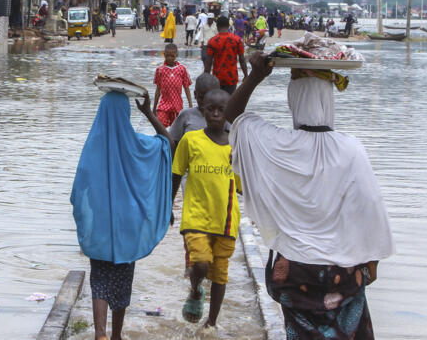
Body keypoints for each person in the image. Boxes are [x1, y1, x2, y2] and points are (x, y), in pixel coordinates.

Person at [224, 53, 394, 340]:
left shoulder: (275, 144)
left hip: (293, 272)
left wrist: (255, 76)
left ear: (294, 99)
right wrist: (371, 265)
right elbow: (370, 207)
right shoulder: (351, 149)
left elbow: (233, 116)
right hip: (344, 271)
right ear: (329, 101)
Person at [71, 90, 173, 340]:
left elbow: (79, 189)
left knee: (100, 282)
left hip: (101, 229)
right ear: (126, 115)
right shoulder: (137, 144)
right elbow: (168, 143)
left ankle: (100, 333)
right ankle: (116, 335)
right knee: (122, 282)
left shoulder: (92, 146)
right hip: (130, 226)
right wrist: (149, 112)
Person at [171, 88, 242, 327]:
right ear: (202, 110)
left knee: (220, 274)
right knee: (200, 263)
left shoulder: (235, 146)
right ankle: (195, 289)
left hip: (225, 220)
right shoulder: (191, 140)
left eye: (221, 110)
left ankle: (211, 323)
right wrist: (167, 206)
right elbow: (176, 173)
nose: (215, 113)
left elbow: (244, 186)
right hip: (196, 217)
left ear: (228, 113)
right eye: (210, 109)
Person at [153, 44, 193, 128]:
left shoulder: (182, 69)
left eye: (172, 56)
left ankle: (172, 141)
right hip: (164, 105)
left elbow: (186, 88)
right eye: (167, 56)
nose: (170, 58)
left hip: (177, 106)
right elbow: (158, 90)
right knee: (160, 126)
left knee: (176, 130)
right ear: (164, 54)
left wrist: (190, 106)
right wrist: (154, 107)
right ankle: (163, 141)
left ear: (176, 55)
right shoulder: (160, 70)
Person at [204, 16, 247, 93]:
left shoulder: (212, 41)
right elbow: (242, 60)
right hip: (231, 78)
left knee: (218, 102)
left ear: (217, 26)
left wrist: (206, 78)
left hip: (217, 78)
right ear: (228, 26)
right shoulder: (237, 40)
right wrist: (246, 75)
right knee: (230, 102)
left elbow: (208, 62)